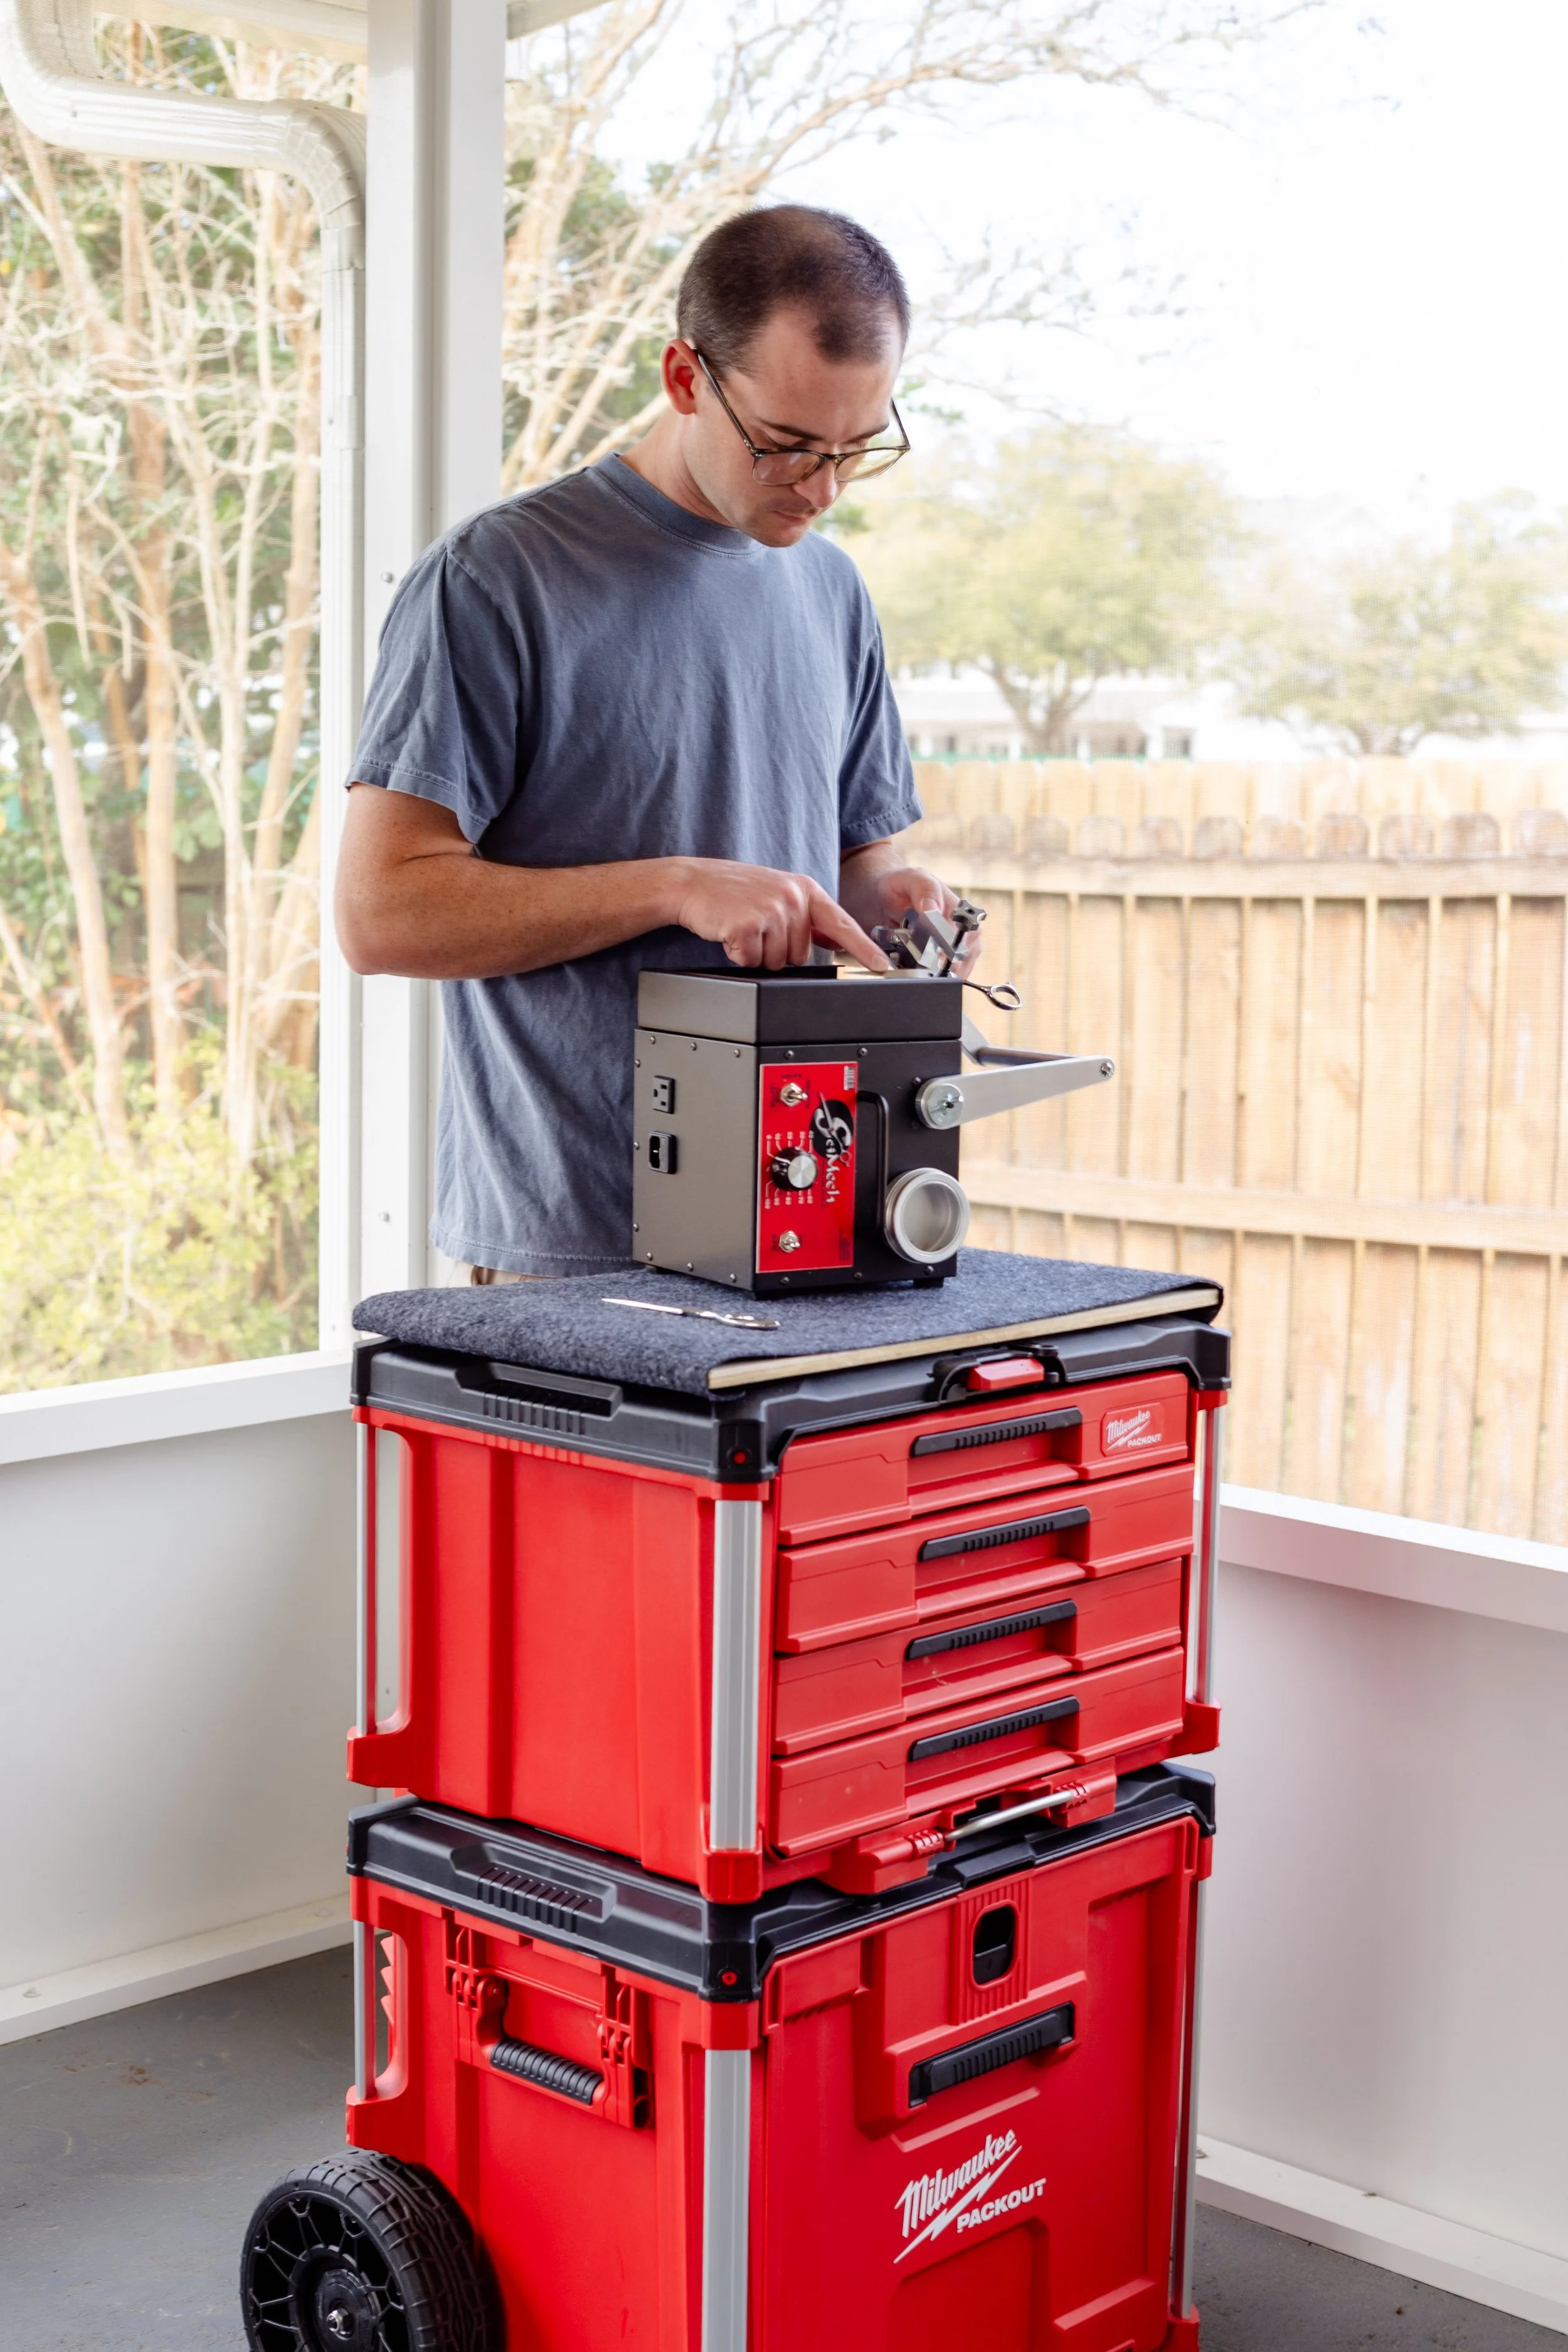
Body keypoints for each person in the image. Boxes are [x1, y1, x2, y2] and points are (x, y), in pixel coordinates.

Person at [335, 203, 965, 1281]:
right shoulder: (497, 578)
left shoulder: (831, 588)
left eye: (855, 450)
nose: (818, 489)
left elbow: (851, 871)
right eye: (785, 445)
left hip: (795, 1223)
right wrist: (676, 887)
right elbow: (382, 915)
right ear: (685, 377)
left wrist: (898, 907)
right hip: (571, 1248)